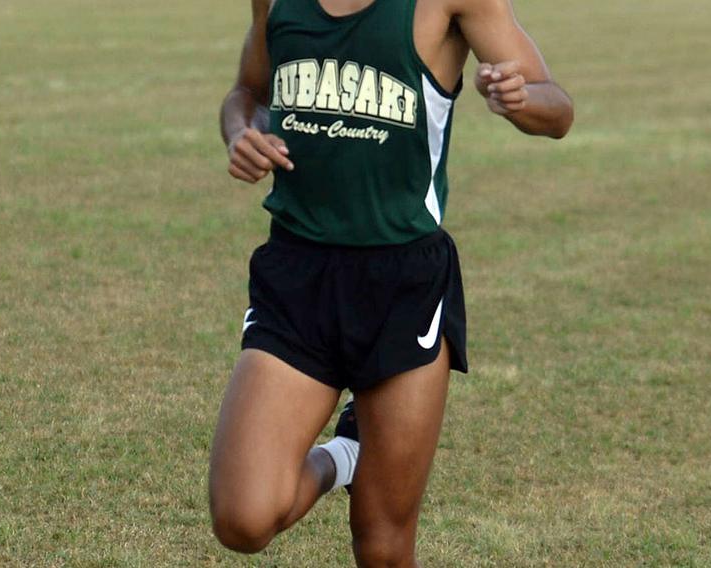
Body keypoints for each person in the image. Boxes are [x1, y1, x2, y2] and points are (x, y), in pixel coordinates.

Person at [210, 0, 573, 565]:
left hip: (403, 283)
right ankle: (345, 454)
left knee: (383, 544)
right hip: (297, 275)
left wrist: (521, 99)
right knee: (243, 518)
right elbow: (248, 92)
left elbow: (559, 109)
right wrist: (241, 132)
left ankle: (359, 453)